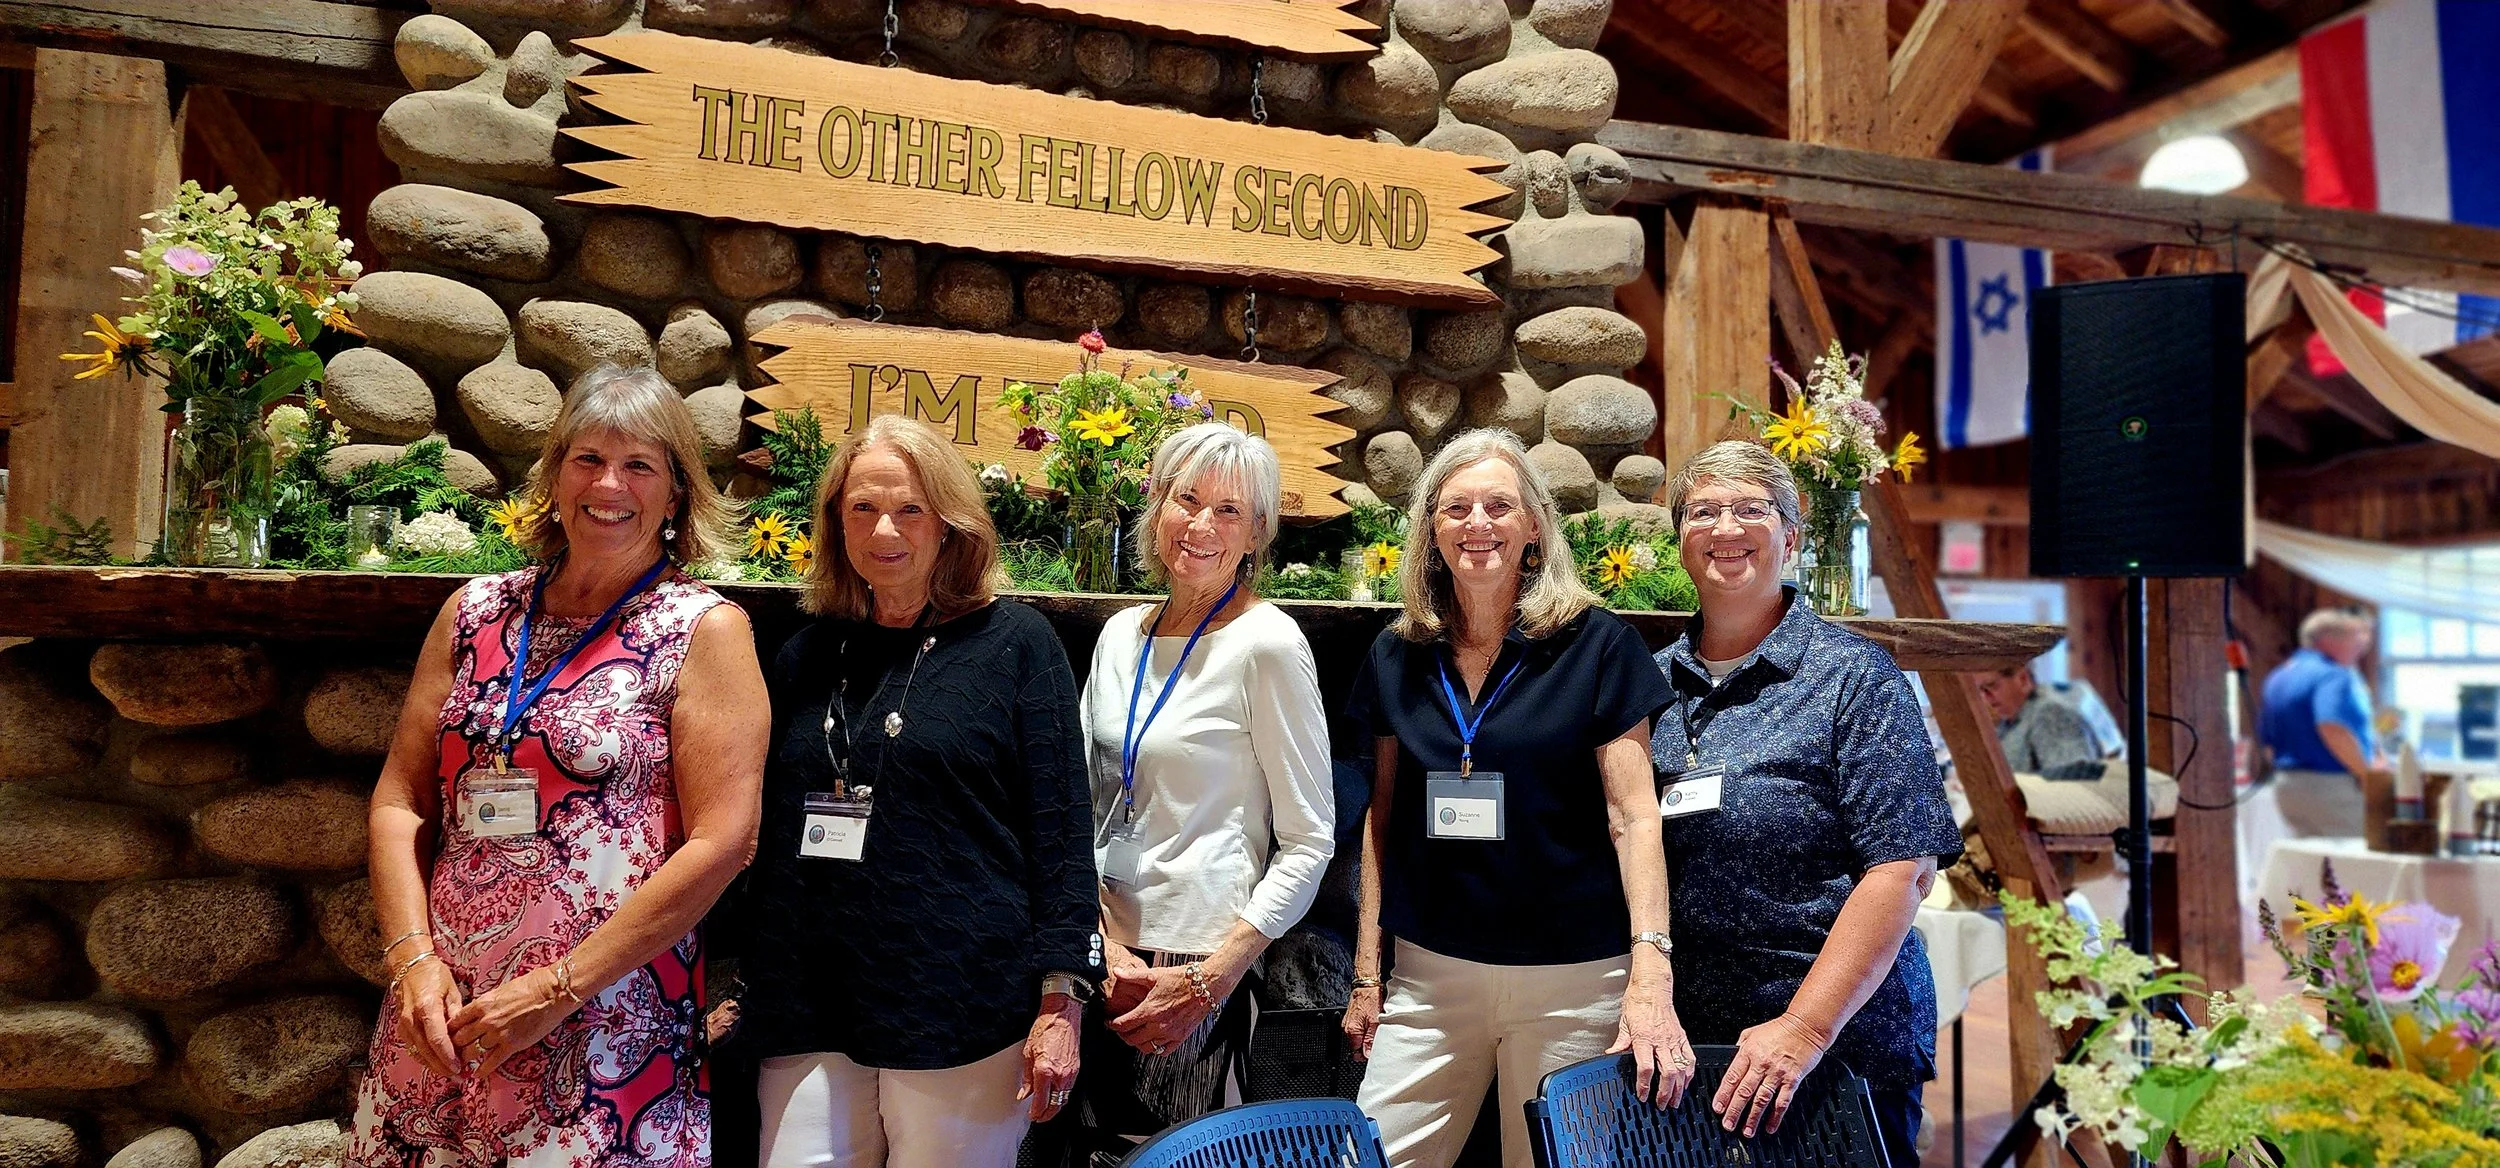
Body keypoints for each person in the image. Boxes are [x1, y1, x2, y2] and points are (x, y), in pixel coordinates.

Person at [350, 365, 770, 1168]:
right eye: (587, 459)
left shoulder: (704, 629)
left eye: (640, 465)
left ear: (677, 493)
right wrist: (412, 963)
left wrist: (555, 991)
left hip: (606, 1019)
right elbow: (400, 800)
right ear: (554, 473)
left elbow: (725, 843)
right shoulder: (474, 611)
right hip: (441, 1011)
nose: (609, 484)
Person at [738, 414, 1103, 1168]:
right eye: (862, 509)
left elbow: (1062, 837)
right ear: (835, 523)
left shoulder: (1018, 645)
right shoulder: (806, 654)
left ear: (950, 523)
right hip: (811, 1001)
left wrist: (1062, 999)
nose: (884, 531)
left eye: (910, 509)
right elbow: (765, 838)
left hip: (960, 1007)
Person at [1341, 428, 1692, 1168]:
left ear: (1534, 525)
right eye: (1456, 507)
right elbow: (1382, 820)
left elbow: (1634, 817)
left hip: (1573, 982)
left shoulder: (1600, 646)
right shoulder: (1397, 653)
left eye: (1499, 506)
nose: (1477, 524)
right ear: (1430, 530)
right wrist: (1368, 972)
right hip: (1431, 977)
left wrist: (1650, 972)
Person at [1646, 441, 1965, 1168]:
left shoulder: (1853, 677)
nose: (1726, 528)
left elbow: (1903, 870)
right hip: (1695, 1048)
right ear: (1681, 542)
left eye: (1750, 510)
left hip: (1834, 1046)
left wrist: (1805, 1029)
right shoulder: (1651, 685)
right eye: (1704, 512)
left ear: (1790, 537)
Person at [1067, 422, 1334, 1160]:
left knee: (1171, 1154)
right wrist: (1092, 933)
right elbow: (1084, 802)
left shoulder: (1269, 644)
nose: (1201, 524)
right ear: (1158, 507)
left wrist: (1214, 979)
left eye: (1229, 511)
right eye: (1188, 499)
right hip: (1101, 950)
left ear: (1257, 534)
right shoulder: (1120, 635)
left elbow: (1310, 842)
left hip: (1195, 964)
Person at [2260, 607, 2381, 838]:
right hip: (2331, 785)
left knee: (2311, 865)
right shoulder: (2332, 674)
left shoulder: (2279, 675)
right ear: (2329, 640)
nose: (2361, 648)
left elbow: (2268, 742)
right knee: (2352, 865)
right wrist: (2365, 775)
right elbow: (2331, 726)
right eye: (2354, 640)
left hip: (2287, 785)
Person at [1978, 660, 2107, 779]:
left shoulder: (2050, 713)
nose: (1985, 697)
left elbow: (2074, 779)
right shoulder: (2006, 724)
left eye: (1991, 686)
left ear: (2023, 680)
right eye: (1981, 690)